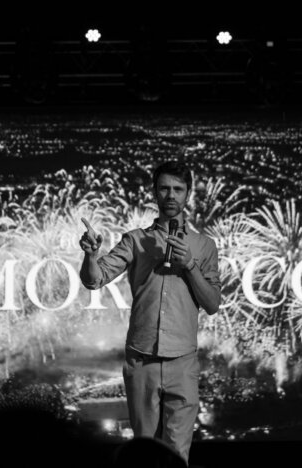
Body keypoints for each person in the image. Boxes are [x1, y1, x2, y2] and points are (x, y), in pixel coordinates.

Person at [79, 161, 221, 466]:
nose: (171, 195)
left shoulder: (204, 246)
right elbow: (94, 279)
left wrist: (190, 265)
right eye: (164, 188)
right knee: (143, 456)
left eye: (178, 189)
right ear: (155, 193)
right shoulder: (135, 240)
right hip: (142, 359)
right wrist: (91, 255)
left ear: (187, 194)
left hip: (183, 361)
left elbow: (212, 304)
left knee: (177, 456)